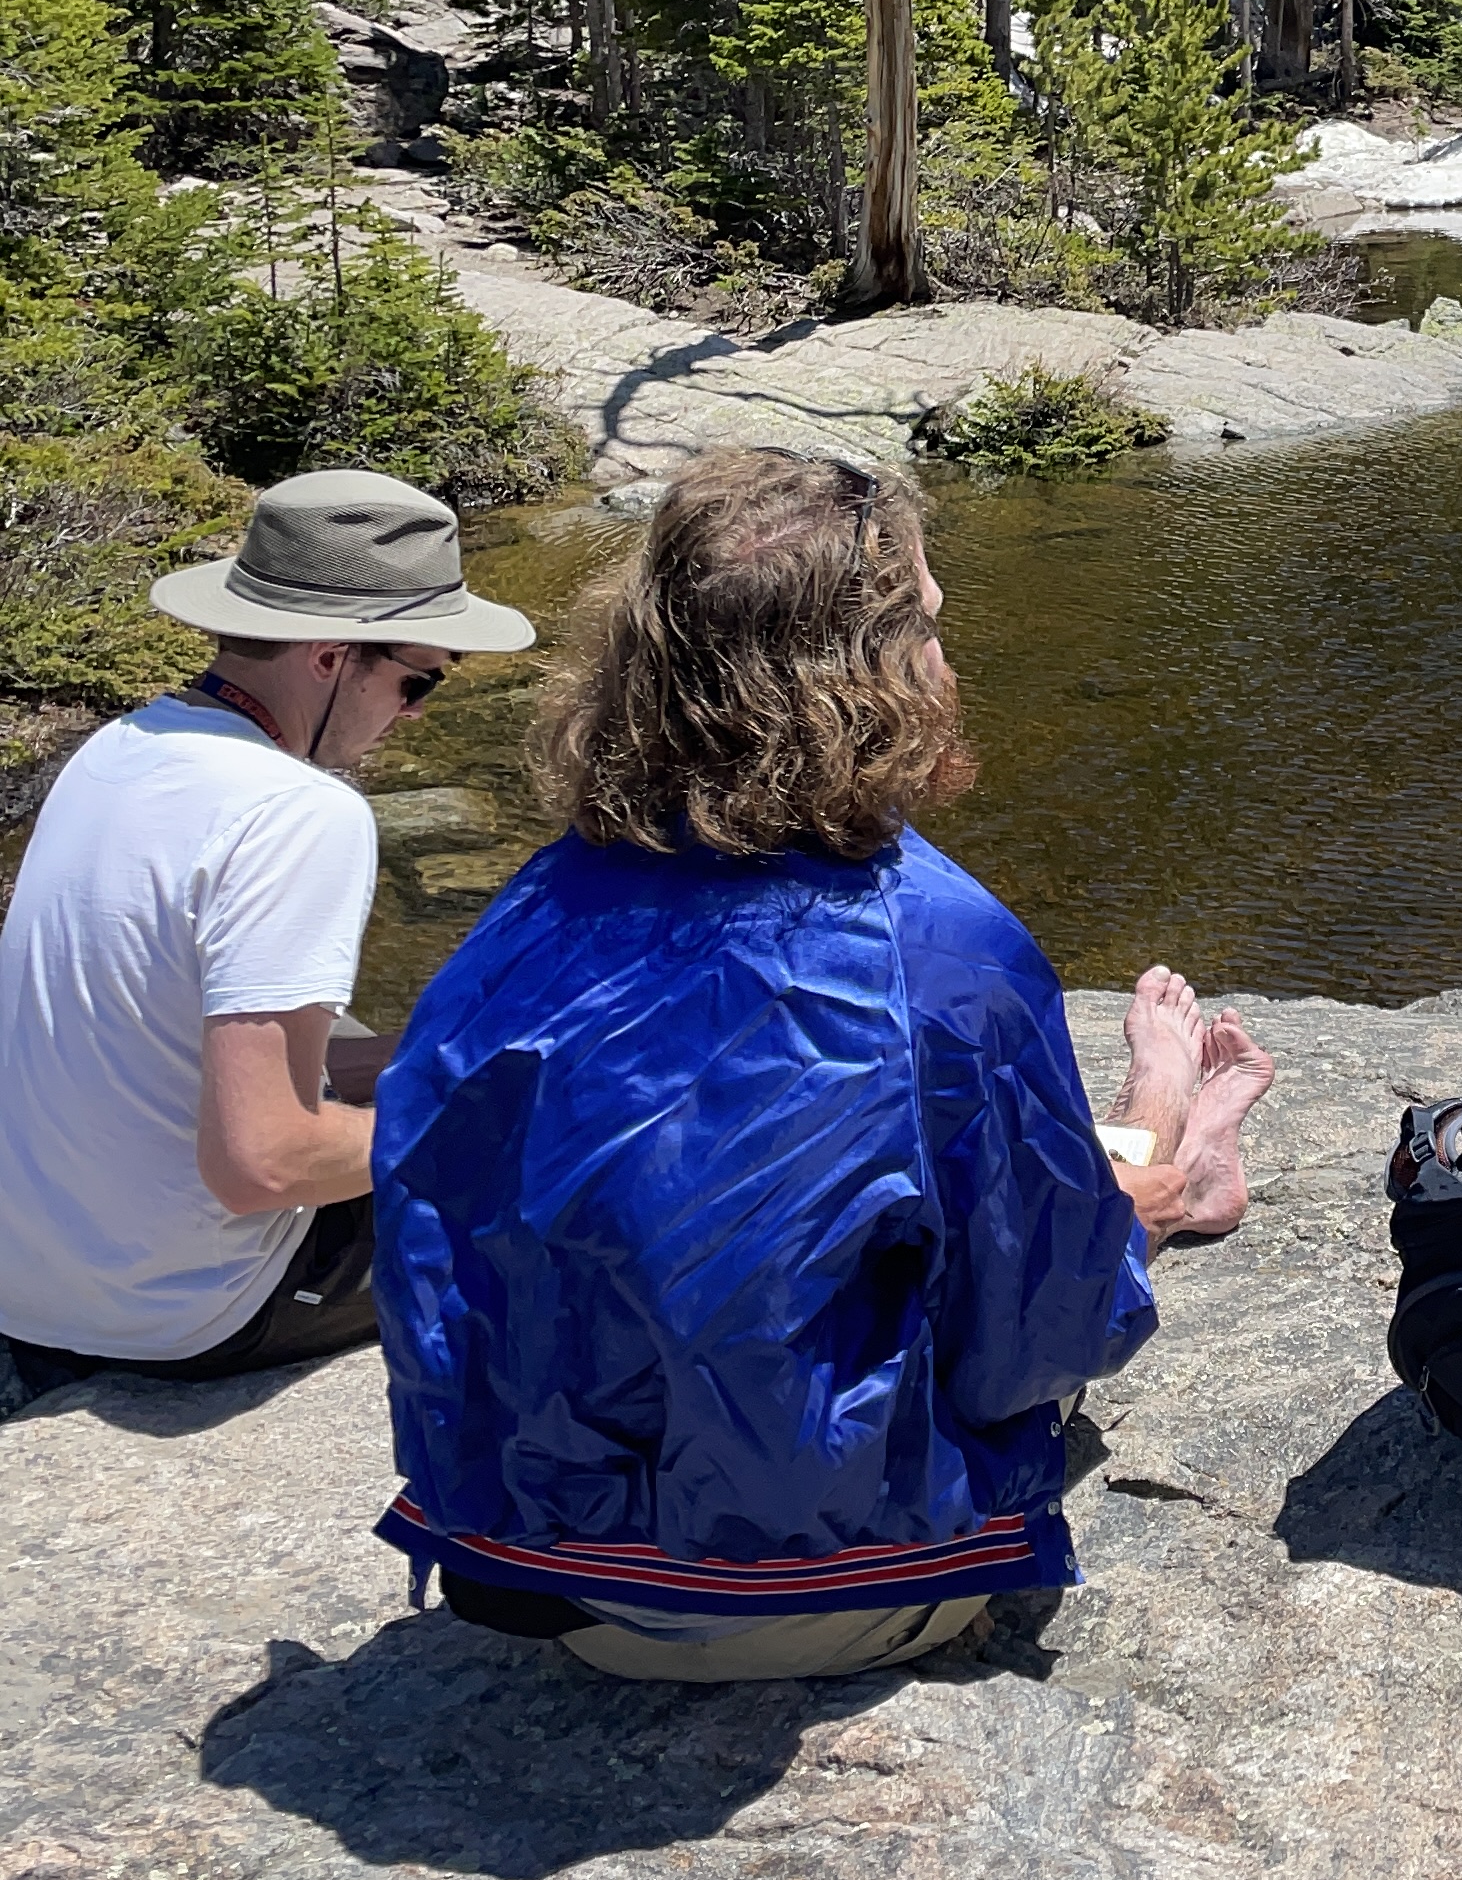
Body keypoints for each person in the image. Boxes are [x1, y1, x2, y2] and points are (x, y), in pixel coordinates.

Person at [369, 450, 1274, 1681]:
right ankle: (1167, 1143)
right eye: (934, 632)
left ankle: (1153, 1131)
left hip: (538, 1575)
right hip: (818, 1592)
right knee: (1084, 1225)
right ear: (878, 675)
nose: (954, 670)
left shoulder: (529, 912)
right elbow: (1038, 1342)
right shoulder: (942, 946)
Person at [0, 475, 534, 1407]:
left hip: (35, 1285)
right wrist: (493, 1127)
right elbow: (266, 1161)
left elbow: (155, 1044)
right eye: (419, 681)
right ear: (332, 658)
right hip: (190, 1312)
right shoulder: (299, 812)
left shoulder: (120, 747)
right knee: (571, 1169)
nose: (412, 714)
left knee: (405, 1054)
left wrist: (427, 1064)